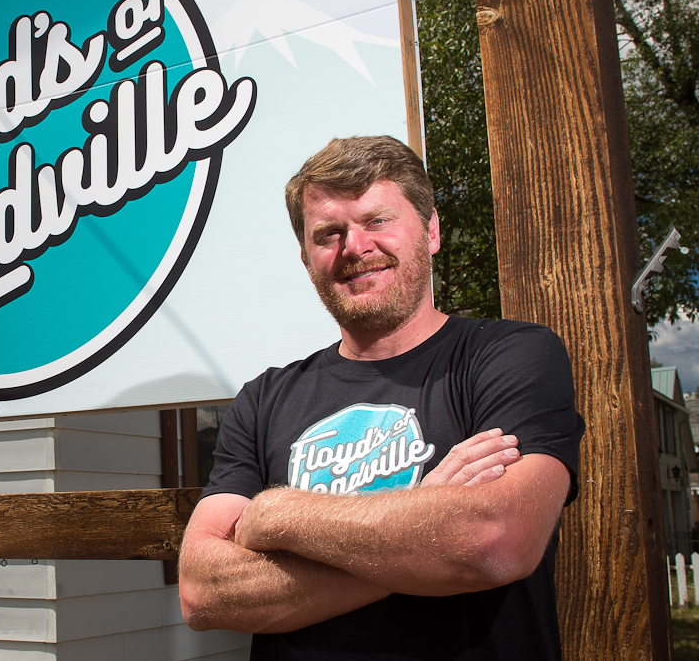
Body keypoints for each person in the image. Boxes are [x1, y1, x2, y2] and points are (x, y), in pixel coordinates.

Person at [178, 136, 584, 660]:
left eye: (376, 220)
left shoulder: (509, 357)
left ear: (431, 230)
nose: (355, 247)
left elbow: (493, 539)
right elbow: (204, 593)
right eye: (329, 233)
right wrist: (428, 515)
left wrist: (276, 514)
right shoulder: (264, 399)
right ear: (306, 258)